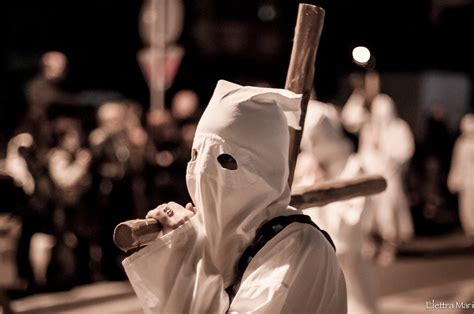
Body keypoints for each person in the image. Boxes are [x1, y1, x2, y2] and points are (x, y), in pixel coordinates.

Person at [122, 80, 347, 313]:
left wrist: (189, 252)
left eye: (226, 160)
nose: (203, 172)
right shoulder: (222, 239)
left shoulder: (299, 247)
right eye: (197, 155)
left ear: (265, 167)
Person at [294, 100, 378, 313]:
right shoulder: (308, 167)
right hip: (313, 265)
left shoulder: (353, 167)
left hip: (347, 264)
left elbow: (349, 227)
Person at [358, 94, 415, 264]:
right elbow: (363, 152)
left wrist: (390, 158)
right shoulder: (369, 129)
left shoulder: (399, 128)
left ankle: (390, 246)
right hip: (372, 178)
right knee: (369, 214)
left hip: (390, 178)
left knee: (389, 213)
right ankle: (372, 244)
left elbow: (405, 151)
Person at [448, 113, 474, 238]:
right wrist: (454, 178)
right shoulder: (461, 143)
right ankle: (470, 229)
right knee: (466, 205)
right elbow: (456, 162)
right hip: (466, 179)